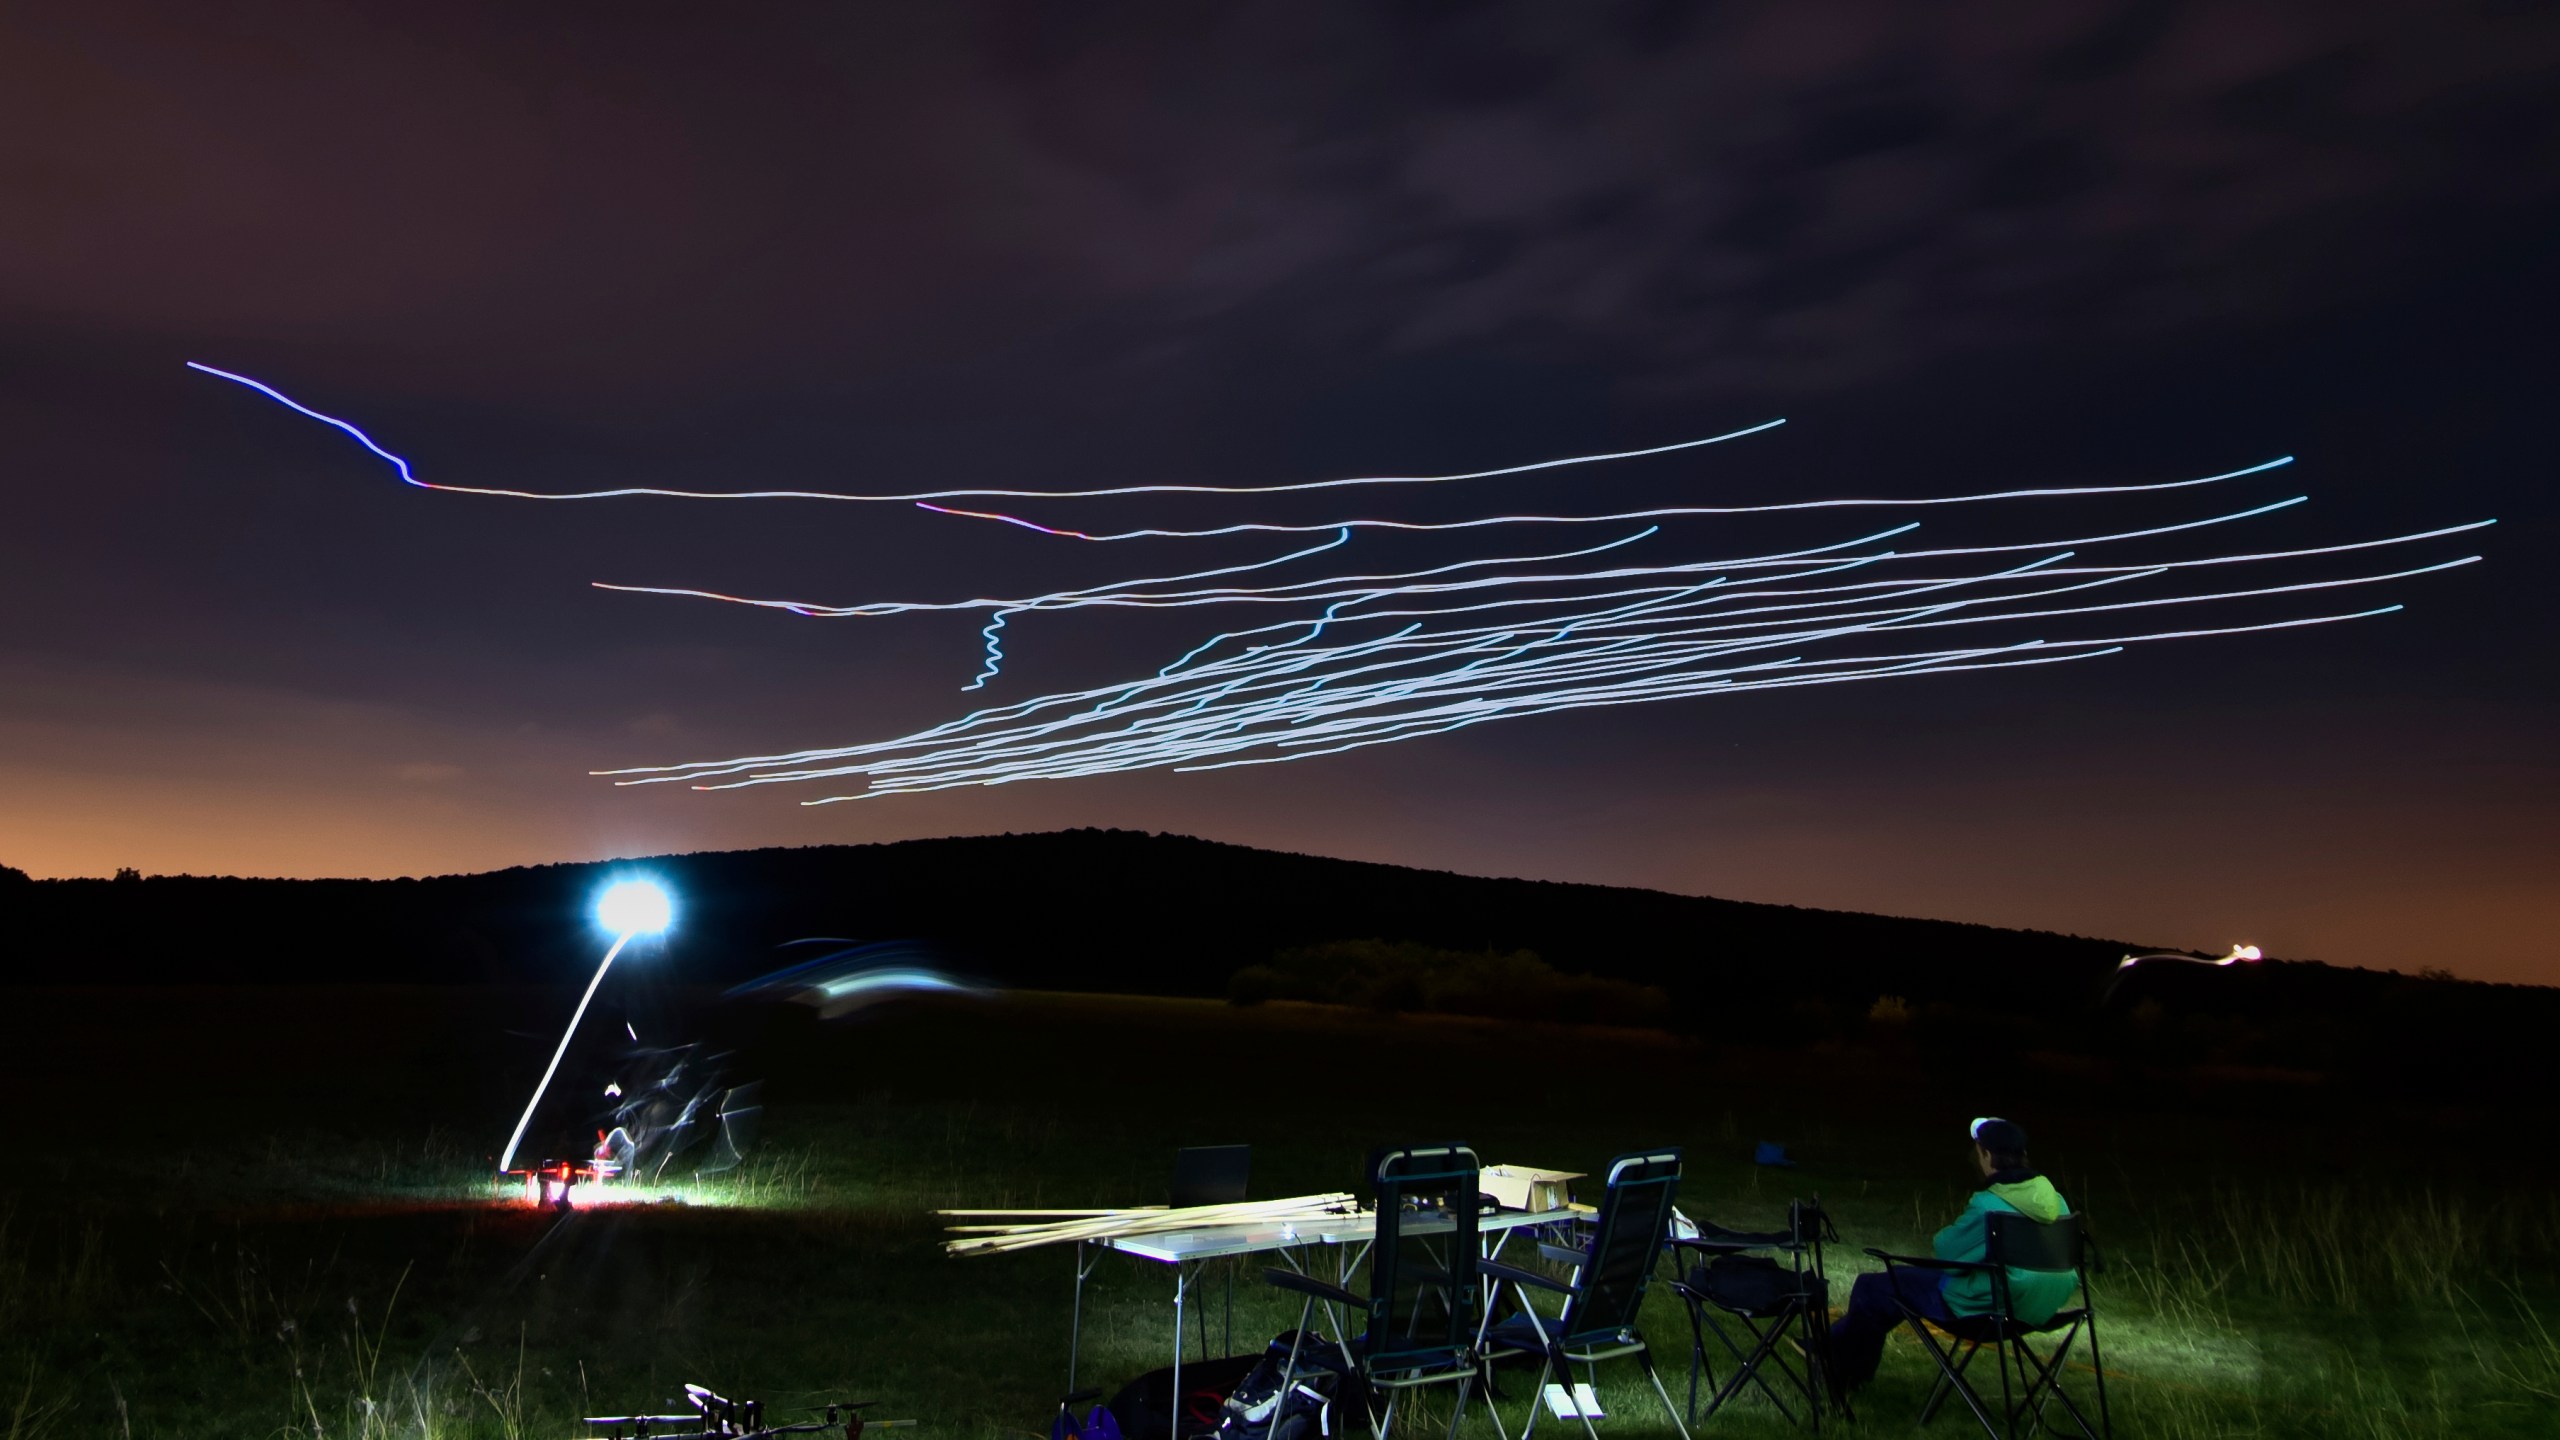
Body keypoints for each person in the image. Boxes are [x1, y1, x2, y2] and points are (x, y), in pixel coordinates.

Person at [1825, 1116, 2075, 1391]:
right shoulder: (2057, 1201)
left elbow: (1948, 1256)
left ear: (1987, 1155)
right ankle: (1831, 1345)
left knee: (1874, 1287)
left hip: (1987, 1310)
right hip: (2042, 1308)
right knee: (1895, 1287)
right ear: (2023, 1155)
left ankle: (1842, 1371)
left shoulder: (1989, 1205)